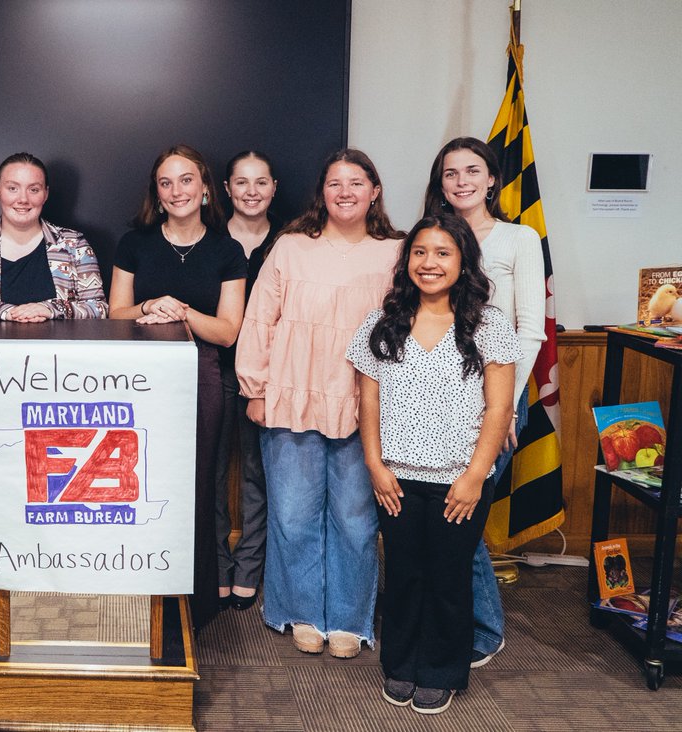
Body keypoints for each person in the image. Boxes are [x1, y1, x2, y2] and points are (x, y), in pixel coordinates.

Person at [347, 213, 520, 714]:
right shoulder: (382, 324)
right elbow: (369, 402)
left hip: (459, 480)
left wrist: (473, 477)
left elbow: (498, 409)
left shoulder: (487, 325)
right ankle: (400, 665)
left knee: (447, 574)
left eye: (443, 253)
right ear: (407, 262)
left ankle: (441, 671)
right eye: (420, 252)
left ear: (463, 261)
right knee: (403, 571)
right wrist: (375, 466)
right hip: (396, 477)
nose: (430, 263)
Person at [236, 148, 405, 658]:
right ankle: (300, 611)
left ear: (374, 191)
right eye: (335, 183)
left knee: (356, 519)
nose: (346, 192)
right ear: (322, 193)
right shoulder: (290, 247)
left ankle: (350, 619)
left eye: (357, 182)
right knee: (292, 513)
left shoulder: (397, 251)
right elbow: (259, 319)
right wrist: (256, 389)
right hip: (292, 393)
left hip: (366, 402)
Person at [109, 144, 246, 630]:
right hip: (139, 380)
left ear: (205, 186)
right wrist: (150, 307)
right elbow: (115, 314)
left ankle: (195, 600)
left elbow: (229, 331)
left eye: (185, 180)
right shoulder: (135, 243)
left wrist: (183, 311)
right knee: (141, 483)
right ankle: (140, 588)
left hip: (202, 376)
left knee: (198, 484)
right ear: (157, 192)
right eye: (166, 183)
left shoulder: (227, 250)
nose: (176, 191)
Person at [422, 136, 546, 668]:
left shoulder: (519, 238)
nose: (462, 181)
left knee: (462, 518)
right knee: (434, 519)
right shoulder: (429, 237)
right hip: (433, 403)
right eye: (451, 173)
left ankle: (483, 629)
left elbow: (531, 332)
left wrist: (507, 407)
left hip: (493, 404)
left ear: (492, 178)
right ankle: (439, 618)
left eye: (472, 171)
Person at [213, 150, 284, 611]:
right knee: (213, 473)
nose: (252, 191)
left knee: (259, 475)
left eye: (261, 182)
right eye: (242, 182)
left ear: (274, 188)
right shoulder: (208, 241)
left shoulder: (293, 242)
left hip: (271, 375)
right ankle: (218, 565)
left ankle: (250, 567)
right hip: (214, 370)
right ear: (226, 189)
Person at [0, 152, 107, 342]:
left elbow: (99, 310)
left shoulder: (74, 245)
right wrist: (5, 311)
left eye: (34, 190)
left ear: (46, 194)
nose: (23, 199)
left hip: (63, 367)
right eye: (12, 188)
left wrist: (51, 309)